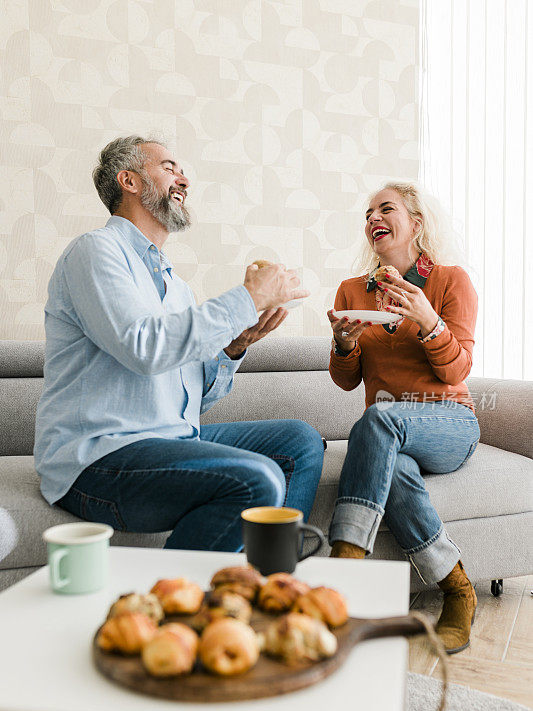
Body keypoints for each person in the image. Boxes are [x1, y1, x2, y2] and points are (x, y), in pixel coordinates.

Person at [34, 135, 325, 552]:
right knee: (255, 479)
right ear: (129, 181)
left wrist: (234, 347)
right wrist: (249, 297)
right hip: (98, 460)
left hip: (170, 440)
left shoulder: (178, 288)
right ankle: (176, 608)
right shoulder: (95, 252)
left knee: (300, 441)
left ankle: (270, 582)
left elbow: (190, 402)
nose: (184, 178)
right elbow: (144, 349)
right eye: (170, 167)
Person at [327, 181, 479, 655]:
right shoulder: (353, 291)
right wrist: (346, 344)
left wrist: (428, 319)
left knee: (379, 420)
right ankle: (457, 590)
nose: (373, 217)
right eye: (368, 212)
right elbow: (346, 381)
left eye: (385, 208)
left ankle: (342, 575)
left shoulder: (451, 281)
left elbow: (457, 369)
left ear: (415, 222)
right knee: (391, 458)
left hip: (449, 421)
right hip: (390, 433)